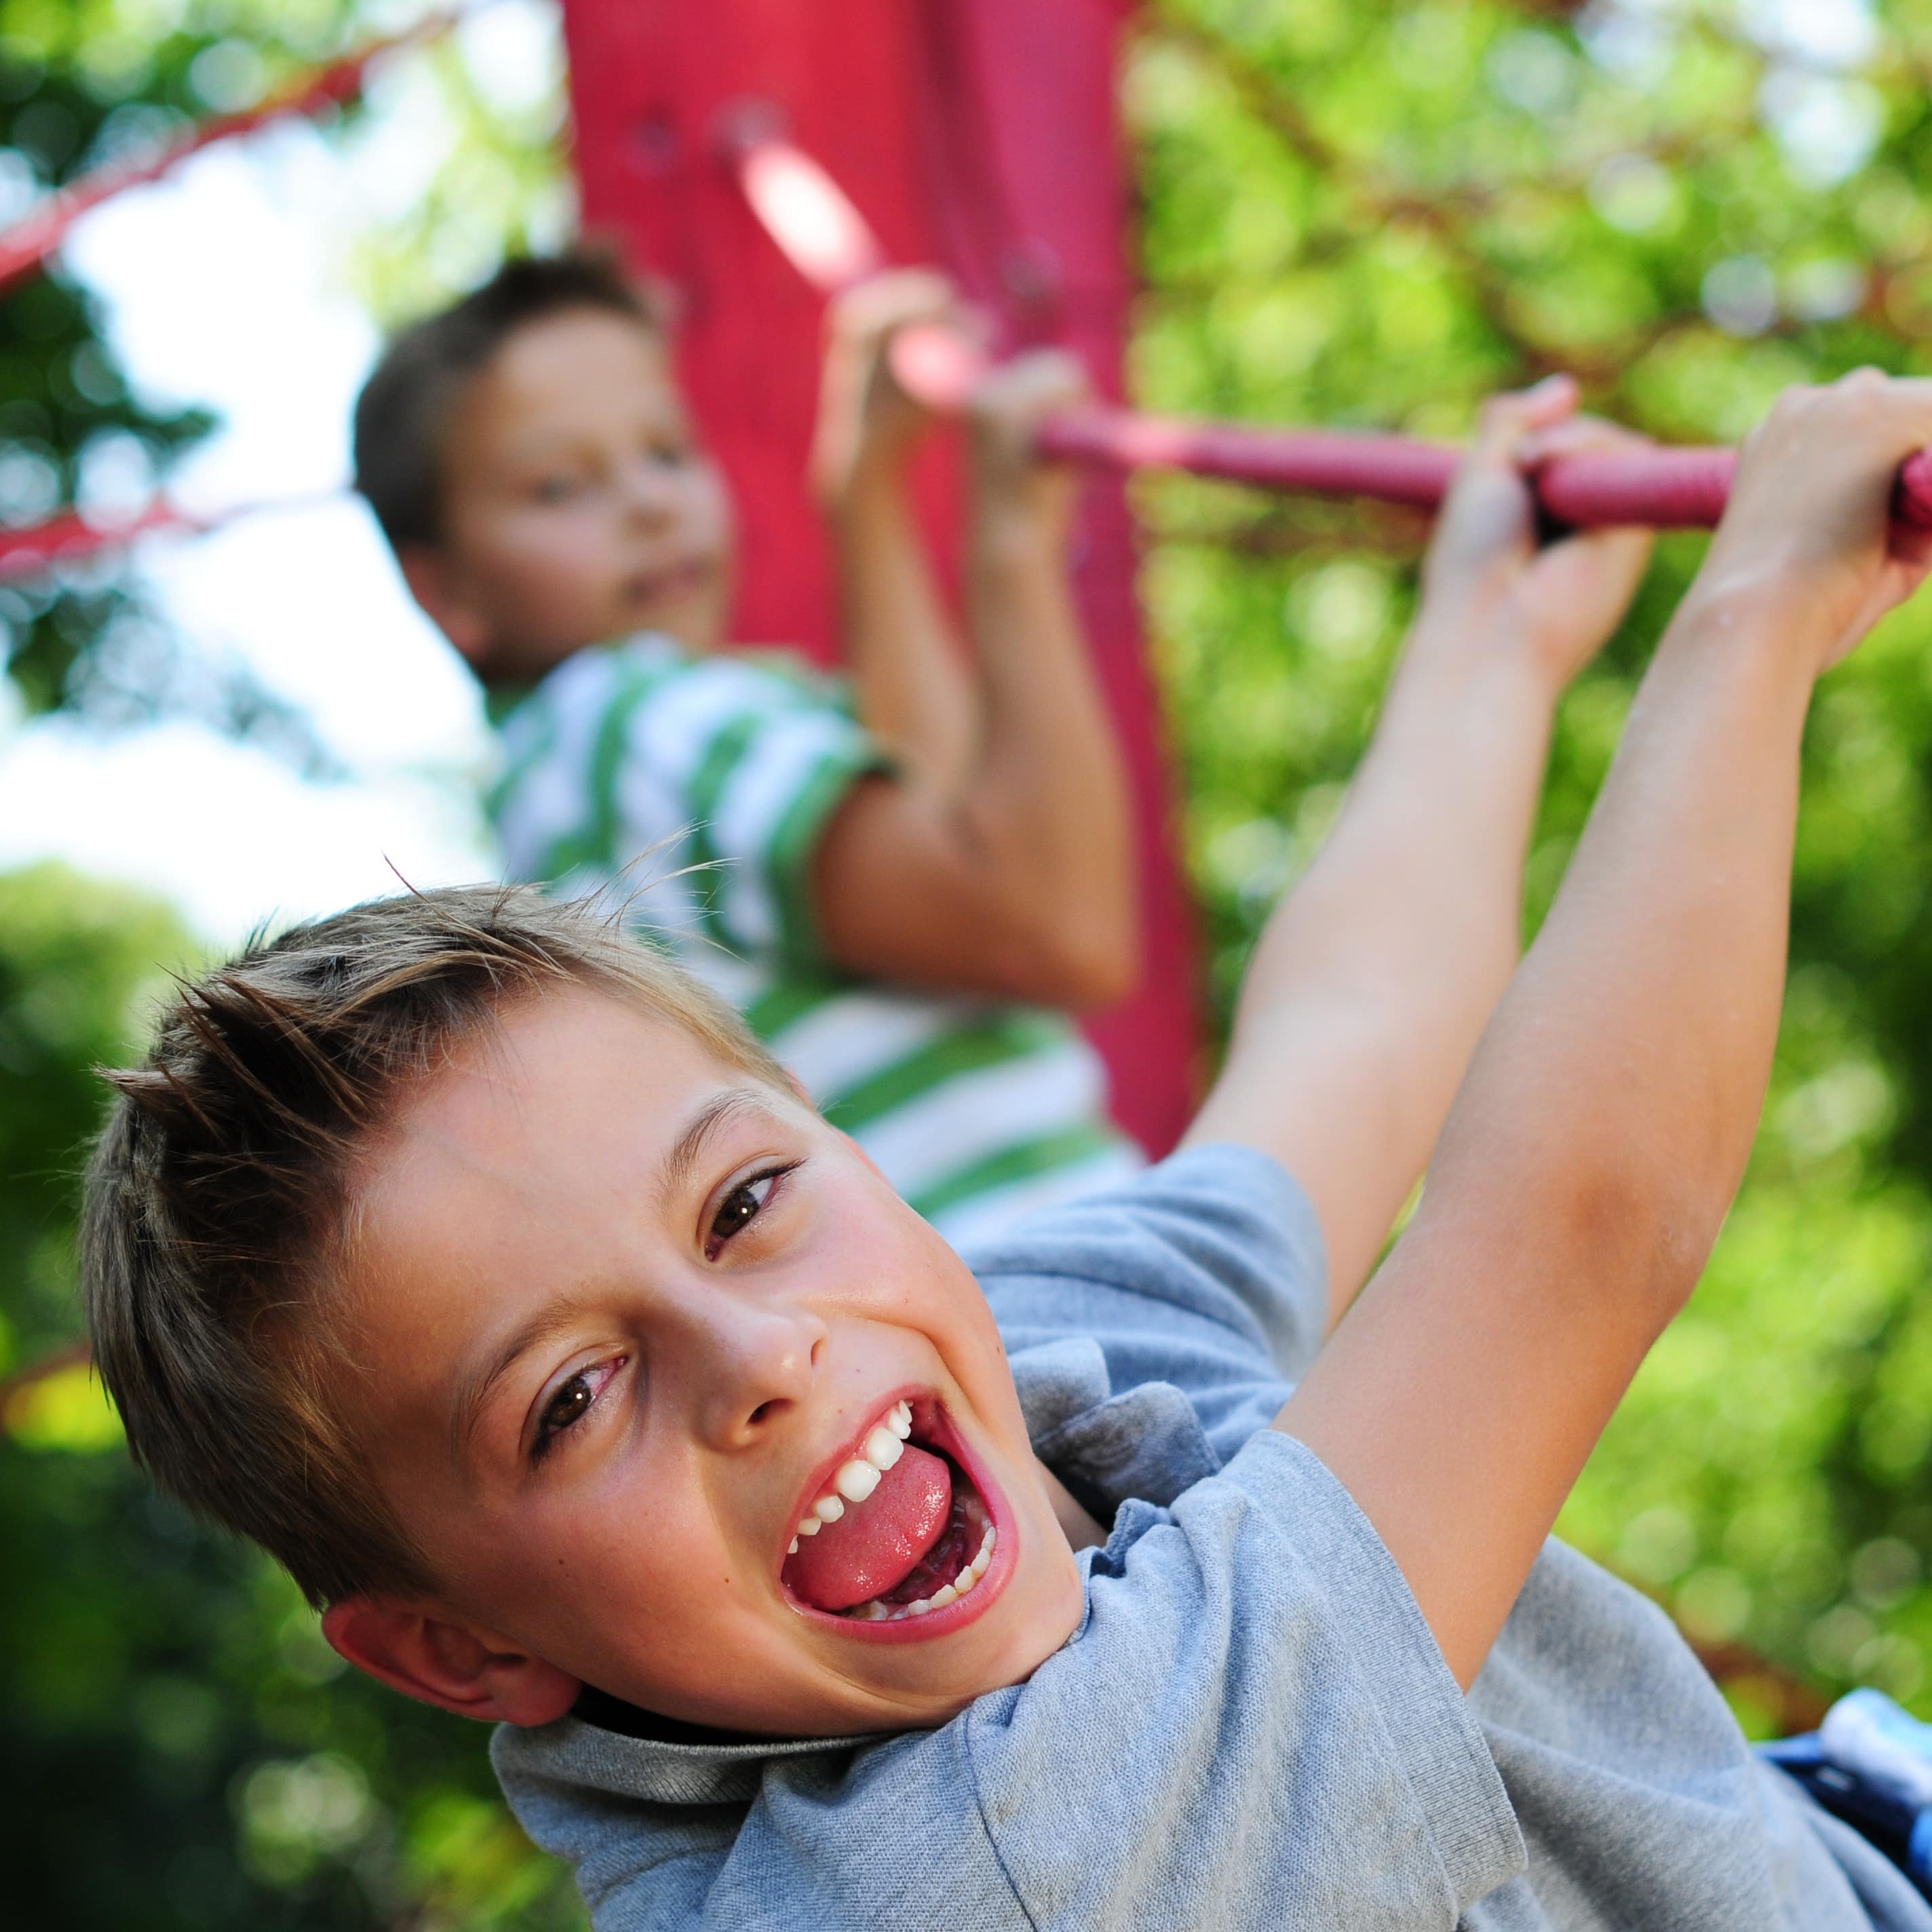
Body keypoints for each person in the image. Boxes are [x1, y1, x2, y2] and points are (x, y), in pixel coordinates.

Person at [81, 372, 1932, 1929]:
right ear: (457, 1652)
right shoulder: (986, 1875)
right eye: (567, 1403)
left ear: (832, 1141)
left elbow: (1348, 1047)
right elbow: (1570, 1238)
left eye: (741, 1204)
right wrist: (1755, 610)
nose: (760, 1359)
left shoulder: (1026, 1356)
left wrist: (1489, 645)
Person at [351, 253, 1145, 1250]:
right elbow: (1055, 925)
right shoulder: (633, 718)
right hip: (1049, 1263)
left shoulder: (570, 783)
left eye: (668, 451)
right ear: (450, 593)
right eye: (560, 486)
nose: (647, 502)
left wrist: (869, 502)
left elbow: (938, 816)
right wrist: (1013, 553)